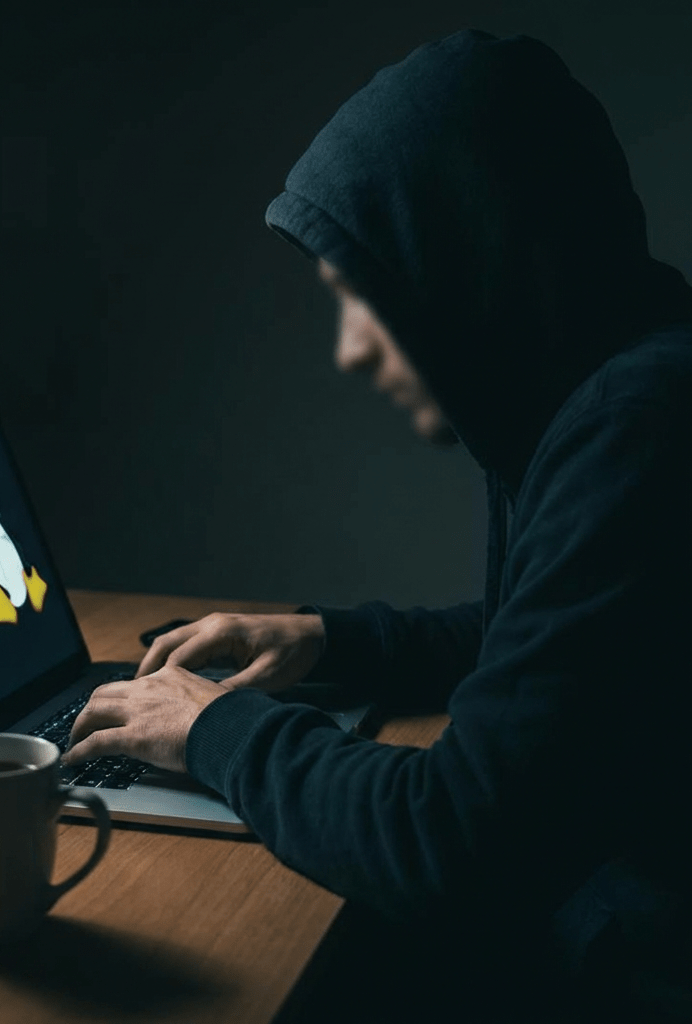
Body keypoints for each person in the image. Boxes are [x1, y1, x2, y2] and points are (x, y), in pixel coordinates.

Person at [63, 29, 692, 1020]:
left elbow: (454, 841)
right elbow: (549, 650)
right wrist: (329, 637)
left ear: (473, 250)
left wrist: (216, 728)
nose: (351, 353)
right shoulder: (597, 380)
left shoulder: (638, 429)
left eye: (363, 294)